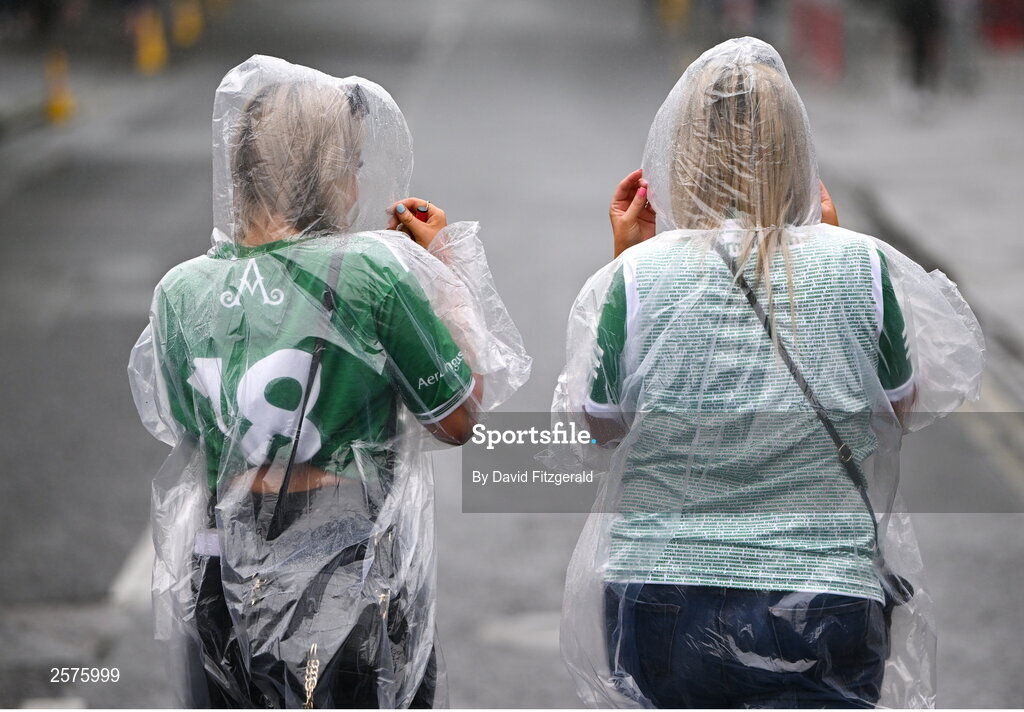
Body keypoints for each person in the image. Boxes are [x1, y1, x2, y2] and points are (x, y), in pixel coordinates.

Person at [554, 37, 983, 708]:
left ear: (680, 155)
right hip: (825, 593)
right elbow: (895, 412)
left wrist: (621, 260)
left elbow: (600, 428)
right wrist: (835, 247)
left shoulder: (637, 276)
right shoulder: (863, 268)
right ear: (799, 156)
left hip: (663, 588)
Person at [129, 55, 530, 708]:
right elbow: (457, 416)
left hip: (225, 572)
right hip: (348, 566)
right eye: (352, 166)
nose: (355, 186)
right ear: (327, 173)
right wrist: (448, 267)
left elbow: (188, 427)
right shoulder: (371, 271)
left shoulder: (181, 292)